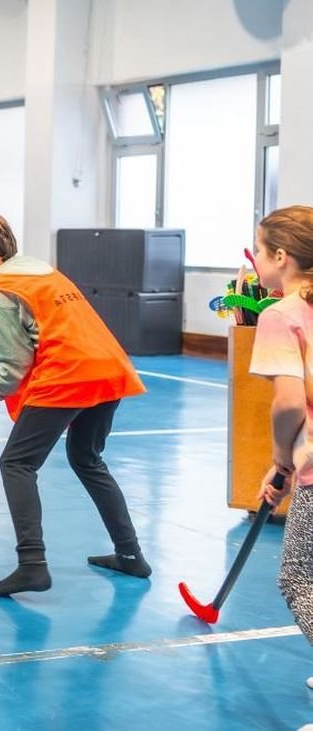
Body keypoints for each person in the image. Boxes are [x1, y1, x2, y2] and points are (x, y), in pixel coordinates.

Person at [0, 213, 150, 597]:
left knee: (16, 463)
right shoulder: (42, 271)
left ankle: (32, 566)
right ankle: (130, 555)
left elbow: (13, 366)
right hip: (108, 368)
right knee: (87, 458)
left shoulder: (1, 288)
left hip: (68, 373)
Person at [250, 206, 313, 691]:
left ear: (281, 256)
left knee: (296, 577)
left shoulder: (283, 314)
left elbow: (290, 403)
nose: (255, 261)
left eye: (259, 249)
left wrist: (280, 461)